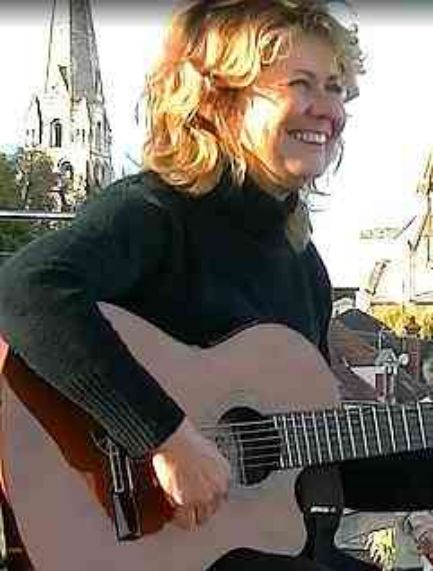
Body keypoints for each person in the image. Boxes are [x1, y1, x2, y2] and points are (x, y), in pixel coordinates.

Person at [0, 0, 384, 568]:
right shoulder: (157, 214)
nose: (327, 109)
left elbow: (319, 451)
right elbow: (25, 290)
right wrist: (165, 438)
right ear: (218, 101)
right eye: (301, 84)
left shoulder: (303, 266)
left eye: (335, 88)